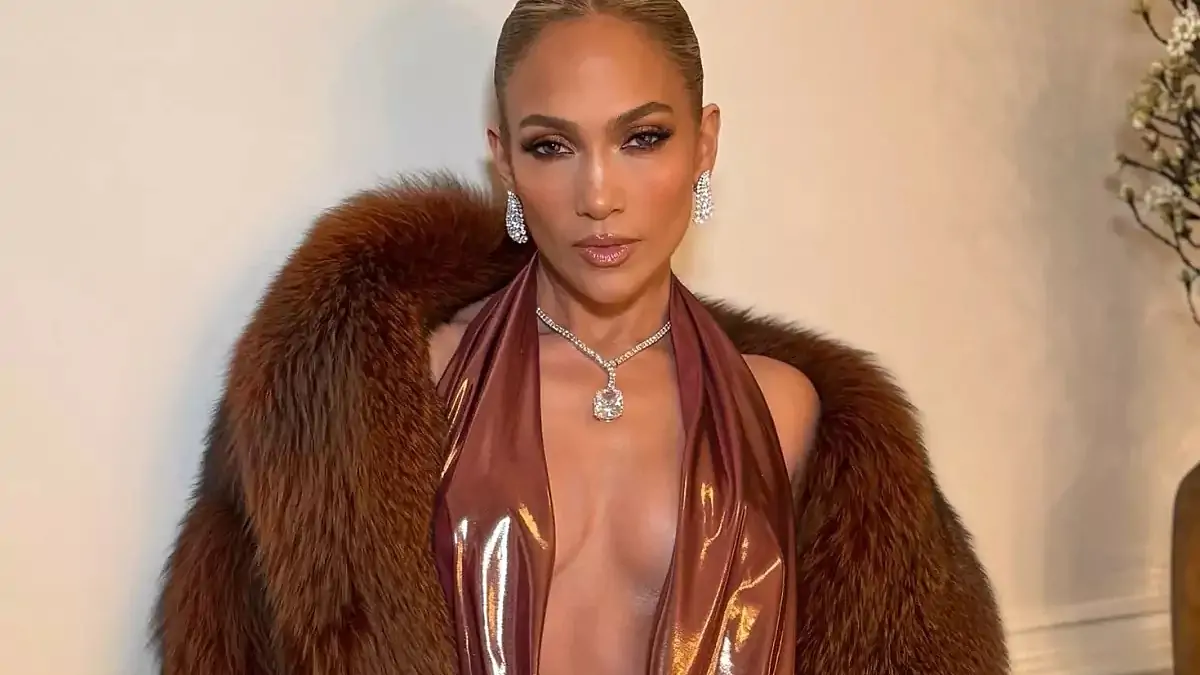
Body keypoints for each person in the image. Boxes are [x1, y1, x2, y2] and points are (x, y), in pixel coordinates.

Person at [153, 1, 1008, 673]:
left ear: (704, 145)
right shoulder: (408, 390)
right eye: (552, 146)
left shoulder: (786, 412)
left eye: (643, 138)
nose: (599, 194)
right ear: (504, 160)